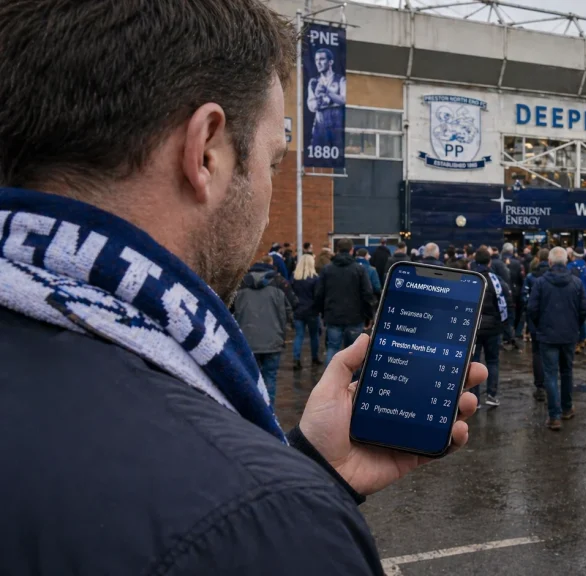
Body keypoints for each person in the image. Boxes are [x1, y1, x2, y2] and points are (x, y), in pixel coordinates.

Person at [0, 1, 488, 573]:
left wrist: (314, 469)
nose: (269, 194)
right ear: (206, 151)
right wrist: (288, 503)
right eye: (274, 162)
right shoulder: (265, 522)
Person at [527, 247, 586, 430]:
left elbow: (532, 309)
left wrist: (540, 326)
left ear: (550, 262)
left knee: (551, 374)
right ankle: (567, 408)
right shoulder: (576, 283)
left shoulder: (540, 283)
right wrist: (575, 326)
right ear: (566, 261)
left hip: (547, 335)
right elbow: (584, 309)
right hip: (569, 335)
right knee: (567, 372)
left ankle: (554, 416)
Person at [233, 255, 296, 407]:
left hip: (247, 339)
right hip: (273, 338)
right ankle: (268, 410)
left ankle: (253, 410)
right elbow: (291, 306)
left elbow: (229, 309)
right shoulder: (279, 283)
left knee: (250, 378)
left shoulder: (241, 284)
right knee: (270, 378)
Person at [316, 238, 375, 366]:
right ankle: (352, 377)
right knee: (353, 350)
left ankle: (330, 376)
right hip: (355, 316)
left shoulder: (327, 269)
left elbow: (319, 293)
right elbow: (367, 293)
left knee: (332, 347)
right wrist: (369, 315)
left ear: (337, 250)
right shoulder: (359, 269)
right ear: (352, 250)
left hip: (333, 315)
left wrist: (322, 312)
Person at [471, 248, 511, 407]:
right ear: (490, 262)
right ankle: (491, 395)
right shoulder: (497, 281)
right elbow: (506, 304)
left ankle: (474, 398)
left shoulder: (472, 279)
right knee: (493, 361)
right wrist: (506, 328)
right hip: (493, 329)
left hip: (474, 329)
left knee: (473, 363)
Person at [523, 249, 550, 402]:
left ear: (538, 258)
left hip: (536, 323)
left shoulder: (531, 277)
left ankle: (540, 386)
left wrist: (532, 319)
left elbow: (525, 299)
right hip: (553, 323)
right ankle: (551, 385)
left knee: (537, 354)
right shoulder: (554, 276)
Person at [306, 47, 346, 149]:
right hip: (320, 124)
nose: (318, 63)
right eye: (316, 60)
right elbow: (311, 106)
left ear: (330, 62)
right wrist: (321, 100)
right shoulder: (314, 82)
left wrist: (327, 92)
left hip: (336, 124)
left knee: (338, 153)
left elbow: (343, 100)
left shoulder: (340, 80)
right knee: (315, 153)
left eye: (322, 59)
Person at [290, 254, 324, 370]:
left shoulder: (294, 277)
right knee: (314, 335)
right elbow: (318, 296)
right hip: (312, 311)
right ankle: (314, 358)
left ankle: (296, 359)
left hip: (298, 310)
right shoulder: (315, 278)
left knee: (299, 335)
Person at [501, 243, 525, 344]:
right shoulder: (517, 263)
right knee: (513, 313)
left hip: (501, 291)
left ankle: (505, 334)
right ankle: (511, 333)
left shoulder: (499, 261)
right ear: (512, 251)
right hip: (515, 292)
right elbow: (521, 279)